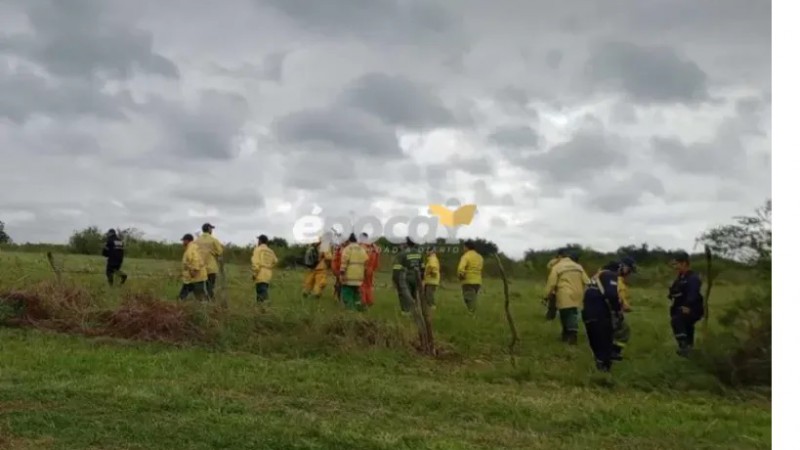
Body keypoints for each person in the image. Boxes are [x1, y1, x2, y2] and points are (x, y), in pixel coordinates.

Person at [582, 261, 625, 372]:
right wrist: (617, 310)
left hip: (588, 313)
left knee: (596, 344)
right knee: (605, 342)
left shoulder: (595, 277)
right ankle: (605, 369)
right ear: (619, 269)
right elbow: (611, 294)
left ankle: (600, 369)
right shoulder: (609, 275)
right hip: (600, 313)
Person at [544, 250, 591, 344]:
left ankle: (572, 334)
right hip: (578, 293)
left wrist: (546, 295)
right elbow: (587, 281)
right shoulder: (578, 266)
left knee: (566, 313)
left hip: (564, 292)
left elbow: (551, 283)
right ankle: (565, 335)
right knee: (572, 312)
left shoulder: (557, 267)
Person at [668, 251, 705, 357]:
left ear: (684, 263)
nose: (675, 266)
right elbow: (672, 292)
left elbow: (693, 294)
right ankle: (689, 348)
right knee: (687, 326)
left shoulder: (693, 278)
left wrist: (687, 306)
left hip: (692, 308)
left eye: (676, 264)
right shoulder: (679, 278)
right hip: (679, 307)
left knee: (677, 320)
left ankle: (684, 346)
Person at [611, 256, 637, 360]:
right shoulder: (618, 281)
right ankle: (614, 352)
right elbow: (619, 296)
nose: (629, 274)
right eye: (629, 270)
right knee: (624, 331)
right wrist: (625, 306)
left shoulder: (610, 276)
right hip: (613, 310)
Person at [339, 233, 368, 311]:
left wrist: (342, 274)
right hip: (359, 276)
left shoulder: (347, 249)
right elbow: (366, 261)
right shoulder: (362, 249)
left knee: (347, 292)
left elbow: (344, 262)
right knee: (356, 293)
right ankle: (358, 307)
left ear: (349, 240)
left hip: (349, 276)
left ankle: (350, 309)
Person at [196, 223, 224, 300]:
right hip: (210, 268)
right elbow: (220, 251)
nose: (212, 230)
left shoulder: (197, 240)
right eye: (211, 228)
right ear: (208, 229)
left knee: (200, 286)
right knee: (210, 287)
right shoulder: (213, 240)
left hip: (199, 267)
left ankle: (200, 301)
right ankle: (210, 301)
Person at [397, 237, 424, 313]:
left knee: (406, 293)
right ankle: (416, 309)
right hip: (417, 276)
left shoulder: (404, 253)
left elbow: (400, 266)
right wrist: (422, 278)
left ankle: (406, 311)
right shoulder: (419, 253)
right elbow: (422, 266)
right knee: (415, 293)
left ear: (407, 243)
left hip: (407, 275)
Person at [178, 233, 208, 301]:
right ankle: (180, 302)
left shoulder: (191, 249)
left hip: (196, 277)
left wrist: (194, 271)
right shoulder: (191, 248)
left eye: (183, 240)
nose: (183, 242)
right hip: (191, 277)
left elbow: (195, 260)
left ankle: (205, 308)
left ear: (187, 240)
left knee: (200, 297)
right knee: (184, 294)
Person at [457, 240, 484, 312]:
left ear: (467, 247)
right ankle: (472, 312)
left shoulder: (465, 256)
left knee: (468, 299)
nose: (463, 249)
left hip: (468, 281)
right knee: (473, 298)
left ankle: (471, 313)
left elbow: (461, 268)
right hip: (478, 281)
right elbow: (480, 268)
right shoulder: (480, 257)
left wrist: (460, 276)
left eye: (464, 247)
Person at [251, 234, 278, 305]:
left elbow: (256, 263)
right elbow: (275, 261)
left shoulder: (258, 249)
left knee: (261, 291)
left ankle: (264, 306)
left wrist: (254, 274)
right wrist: (269, 266)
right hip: (268, 273)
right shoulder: (270, 251)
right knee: (264, 288)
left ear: (260, 241)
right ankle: (261, 308)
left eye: (258, 240)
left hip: (260, 272)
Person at [359, 232, 380, 308]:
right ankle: (370, 301)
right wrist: (373, 268)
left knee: (362, 285)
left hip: (362, 268)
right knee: (369, 285)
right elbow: (377, 259)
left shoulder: (361, 247)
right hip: (370, 269)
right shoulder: (374, 247)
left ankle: (363, 301)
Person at [392, 243, 411, 313]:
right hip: (409, 276)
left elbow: (396, 267)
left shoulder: (400, 255)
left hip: (401, 275)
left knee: (402, 293)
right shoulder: (411, 253)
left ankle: (405, 309)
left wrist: (394, 278)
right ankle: (406, 309)